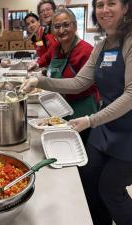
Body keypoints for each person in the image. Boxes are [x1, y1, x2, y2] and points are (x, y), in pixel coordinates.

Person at [23, 0, 132, 224]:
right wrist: (40, 80)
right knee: (89, 180)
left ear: (125, 7)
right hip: (108, 127)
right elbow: (78, 82)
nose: (104, 10)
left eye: (111, 3)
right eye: (100, 4)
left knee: (111, 189)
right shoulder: (102, 46)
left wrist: (90, 120)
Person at [35, 8, 100, 144]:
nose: (61, 30)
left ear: (75, 26)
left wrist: (39, 81)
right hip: (61, 106)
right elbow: (46, 57)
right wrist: (36, 64)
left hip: (82, 108)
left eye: (66, 25)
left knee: (79, 145)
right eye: (57, 26)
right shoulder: (57, 48)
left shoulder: (86, 51)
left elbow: (79, 85)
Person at [27, 1, 58, 70]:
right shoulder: (46, 31)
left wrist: (39, 62)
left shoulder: (57, 27)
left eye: (48, 9)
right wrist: (38, 62)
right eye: (42, 11)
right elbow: (49, 52)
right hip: (51, 66)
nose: (45, 13)